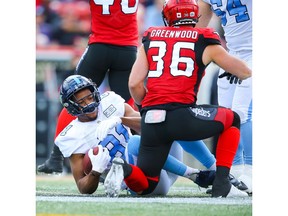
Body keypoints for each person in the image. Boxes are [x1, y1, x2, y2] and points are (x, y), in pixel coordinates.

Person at [103, 0, 251, 198]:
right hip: (183, 118)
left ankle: (126, 170)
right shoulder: (204, 37)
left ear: (167, 17)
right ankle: (223, 182)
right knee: (232, 118)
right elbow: (245, 71)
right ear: (195, 15)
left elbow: (134, 84)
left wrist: (146, 109)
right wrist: (238, 70)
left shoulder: (151, 36)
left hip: (153, 120)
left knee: (147, 185)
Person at [55, 74, 219, 195]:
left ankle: (218, 170)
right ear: (71, 107)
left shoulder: (110, 101)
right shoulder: (72, 136)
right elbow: (83, 188)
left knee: (171, 120)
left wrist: (120, 119)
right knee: (133, 143)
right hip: (142, 181)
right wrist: (95, 171)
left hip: (164, 161)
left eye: (90, 97)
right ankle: (194, 175)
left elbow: (150, 124)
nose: (89, 104)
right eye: (81, 102)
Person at [37, 0, 140, 174]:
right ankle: (130, 161)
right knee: (125, 107)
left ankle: (56, 157)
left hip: (99, 48)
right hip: (127, 50)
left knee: (72, 101)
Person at [197, 0, 252, 194]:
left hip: (255, 51)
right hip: (232, 54)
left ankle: (253, 170)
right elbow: (199, 25)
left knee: (242, 113)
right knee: (226, 117)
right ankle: (234, 170)